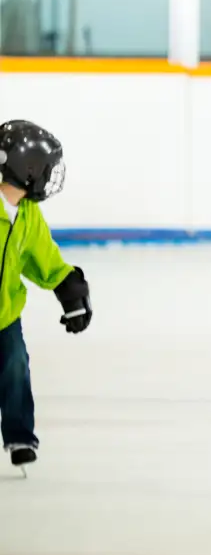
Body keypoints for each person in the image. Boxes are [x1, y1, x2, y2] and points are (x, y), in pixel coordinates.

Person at [0, 120, 93, 472]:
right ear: (28, 171)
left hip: (4, 312)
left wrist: (69, 291)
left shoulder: (27, 215)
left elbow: (44, 257)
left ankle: (20, 436)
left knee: (15, 368)